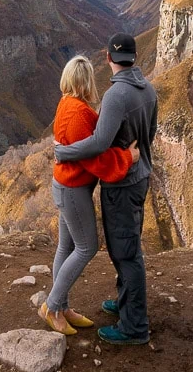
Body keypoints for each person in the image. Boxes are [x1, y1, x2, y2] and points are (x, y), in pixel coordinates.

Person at [54, 33, 157, 346]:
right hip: (139, 176)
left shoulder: (117, 95)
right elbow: (148, 134)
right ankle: (122, 303)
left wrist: (63, 152)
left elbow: (99, 143)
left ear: (109, 58)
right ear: (135, 57)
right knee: (123, 247)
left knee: (126, 253)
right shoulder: (149, 89)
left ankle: (133, 326)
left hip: (123, 182)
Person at [39, 54, 140, 336]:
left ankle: (62, 307)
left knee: (66, 247)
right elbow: (93, 158)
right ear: (85, 82)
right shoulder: (78, 112)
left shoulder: (67, 103)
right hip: (73, 189)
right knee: (87, 247)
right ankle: (52, 305)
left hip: (64, 185)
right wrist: (127, 158)